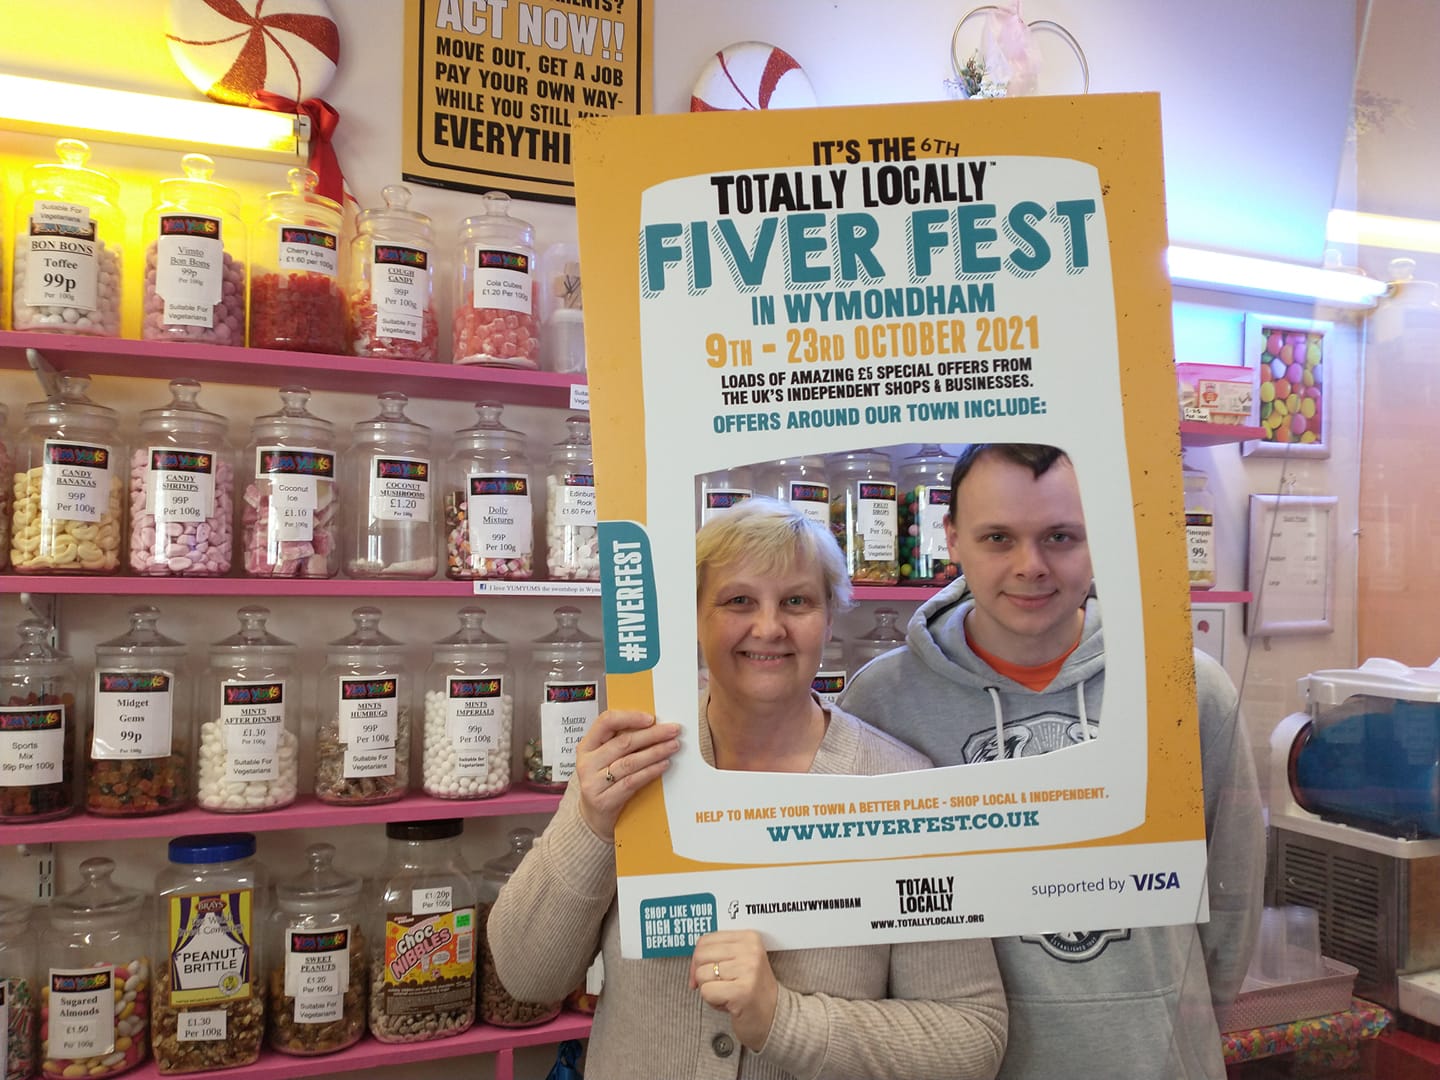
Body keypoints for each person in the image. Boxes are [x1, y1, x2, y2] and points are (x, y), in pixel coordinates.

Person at [489, 496, 1008, 1079]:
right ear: (692, 616)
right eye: (738, 600)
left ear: (830, 619)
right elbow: (526, 976)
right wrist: (589, 822)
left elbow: (970, 1037)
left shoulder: (901, 786)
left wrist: (781, 1020)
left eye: (797, 601)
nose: (769, 627)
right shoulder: (634, 761)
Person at [839, 443, 1264, 1080]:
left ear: (1101, 539)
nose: (1030, 566)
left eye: (1060, 537)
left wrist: (1173, 1026)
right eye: (998, 538)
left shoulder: (1186, 688)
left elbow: (1230, 898)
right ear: (951, 537)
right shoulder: (878, 700)